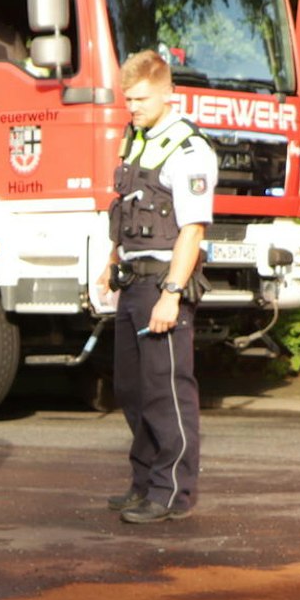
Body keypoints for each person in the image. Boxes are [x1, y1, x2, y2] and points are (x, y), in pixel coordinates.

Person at [93, 49, 218, 524]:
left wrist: (171, 293)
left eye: (142, 98)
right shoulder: (137, 139)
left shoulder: (188, 150)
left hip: (163, 285)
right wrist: (110, 264)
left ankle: (173, 492)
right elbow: (125, 213)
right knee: (131, 388)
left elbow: (193, 230)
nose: (133, 107)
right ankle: (144, 481)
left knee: (167, 392)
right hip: (132, 281)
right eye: (128, 99)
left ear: (168, 93)